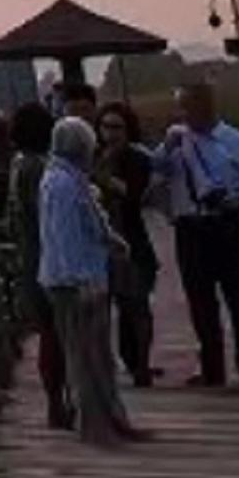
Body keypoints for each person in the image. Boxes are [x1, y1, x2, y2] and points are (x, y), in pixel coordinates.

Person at [156, 78, 239, 388]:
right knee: (200, 301)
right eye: (182, 107)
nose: (186, 114)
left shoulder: (233, 141)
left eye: (192, 106)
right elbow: (156, 172)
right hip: (190, 227)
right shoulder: (177, 143)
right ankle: (212, 368)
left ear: (207, 106)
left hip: (225, 224)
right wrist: (167, 148)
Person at [38, 116, 144, 444]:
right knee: (84, 357)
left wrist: (110, 239)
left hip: (87, 276)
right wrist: (80, 281)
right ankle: (95, 426)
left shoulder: (71, 179)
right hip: (74, 283)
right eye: (89, 146)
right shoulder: (62, 184)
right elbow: (64, 237)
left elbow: (88, 221)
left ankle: (113, 418)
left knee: (99, 356)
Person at [0, 101, 67, 425]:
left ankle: (57, 401)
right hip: (47, 257)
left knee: (47, 333)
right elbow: (47, 215)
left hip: (28, 257)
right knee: (56, 333)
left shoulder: (17, 165)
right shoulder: (40, 168)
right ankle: (58, 403)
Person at [99, 110, 163, 386]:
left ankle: (142, 365)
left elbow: (134, 195)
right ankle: (125, 360)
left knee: (138, 304)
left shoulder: (138, 159)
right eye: (106, 127)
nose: (111, 133)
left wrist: (104, 177)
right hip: (103, 244)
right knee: (117, 306)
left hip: (134, 240)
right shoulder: (94, 157)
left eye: (117, 128)